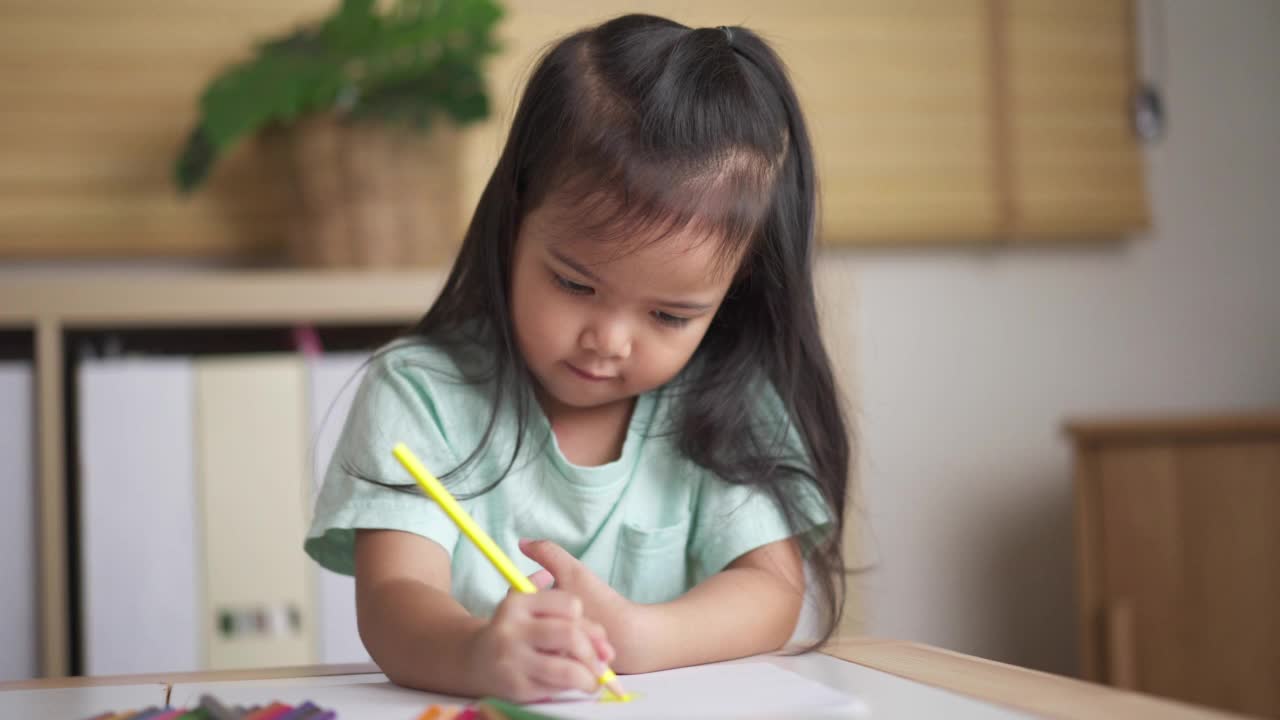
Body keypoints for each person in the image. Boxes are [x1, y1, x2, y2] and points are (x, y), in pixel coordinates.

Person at [305, 13, 851, 703]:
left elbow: (771, 589)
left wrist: (641, 637)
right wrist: (479, 654)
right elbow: (394, 600)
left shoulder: (727, 400)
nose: (610, 340)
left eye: (670, 315)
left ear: (734, 293)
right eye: (574, 283)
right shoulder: (420, 394)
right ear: (514, 218)